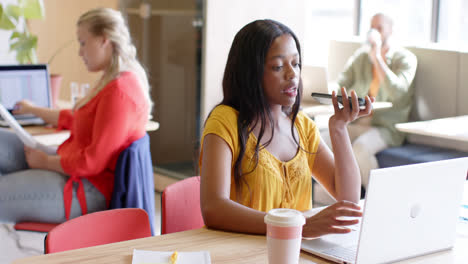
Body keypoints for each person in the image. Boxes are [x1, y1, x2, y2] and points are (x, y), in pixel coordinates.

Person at [199, 19, 375, 238]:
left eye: (296, 63)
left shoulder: (302, 126)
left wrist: (339, 128)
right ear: (250, 72)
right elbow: (214, 208)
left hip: (294, 253)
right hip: (243, 254)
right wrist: (296, 227)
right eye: (278, 66)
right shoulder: (225, 121)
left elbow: (347, 200)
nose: (292, 74)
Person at [0, 7, 152, 222]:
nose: (80, 52)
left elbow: (92, 162)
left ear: (103, 40)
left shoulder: (120, 91)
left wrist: (44, 161)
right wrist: (33, 110)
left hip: (89, 187)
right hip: (70, 163)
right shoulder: (112, 79)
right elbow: (78, 119)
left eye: (83, 43)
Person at [336, 13, 417, 188]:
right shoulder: (361, 57)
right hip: (356, 121)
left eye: (379, 28)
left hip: (386, 128)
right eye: (372, 28)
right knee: (321, 140)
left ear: (391, 30)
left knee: (360, 149)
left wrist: (378, 59)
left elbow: (398, 92)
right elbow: (340, 85)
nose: (374, 32)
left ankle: (376, 199)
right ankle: (337, 200)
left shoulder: (405, 59)